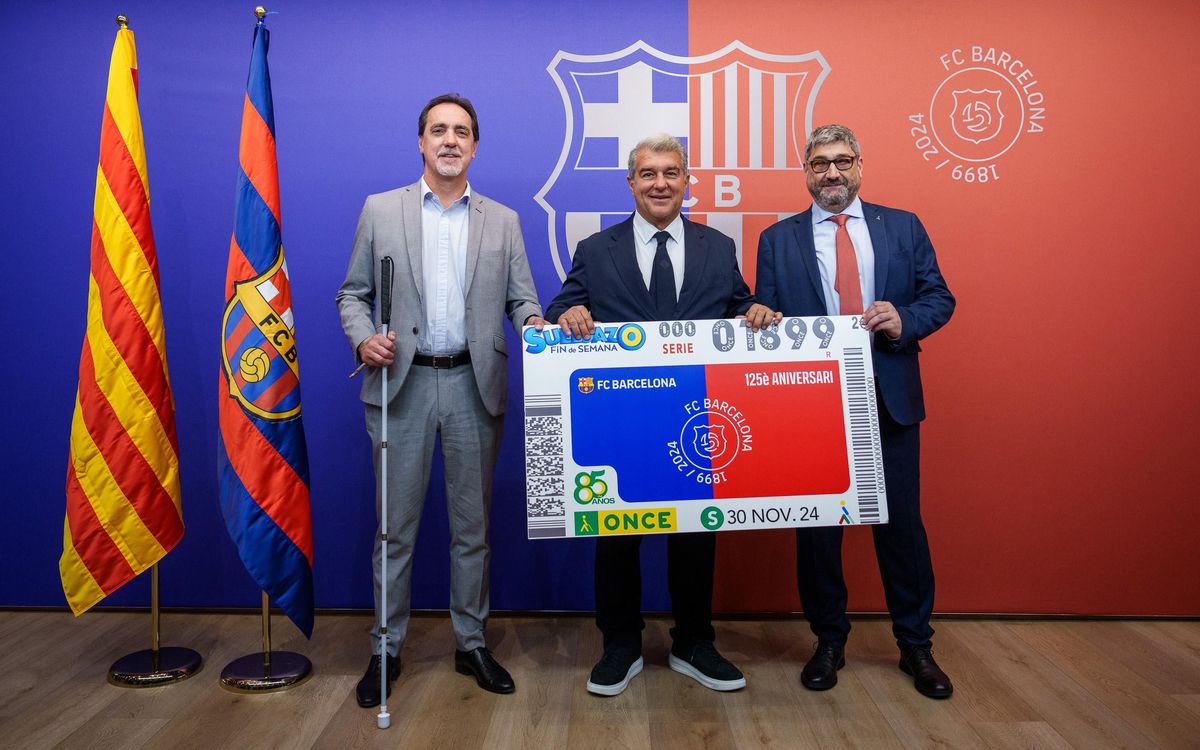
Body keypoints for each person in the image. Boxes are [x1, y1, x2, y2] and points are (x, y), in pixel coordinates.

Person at [544, 133, 779, 696]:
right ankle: (620, 644)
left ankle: (694, 642)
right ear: (631, 183)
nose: (660, 183)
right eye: (648, 173)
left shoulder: (717, 246)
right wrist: (570, 312)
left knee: (696, 532)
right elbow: (561, 306)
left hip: (696, 415)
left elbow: (736, 303)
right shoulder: (596, 249)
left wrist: (755, 311)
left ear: (686, 182)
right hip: (623, 419)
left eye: (671, 173)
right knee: (616, 534)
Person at [336, 93, 545, 706]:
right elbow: (351, 295)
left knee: (471, 530)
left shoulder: (503, 220)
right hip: (400, 385)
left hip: (472, 387)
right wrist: (363, 338)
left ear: (475, 146)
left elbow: (522, 300)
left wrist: (535, 325)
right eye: (438, 130)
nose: (450, 140)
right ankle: (385, 648)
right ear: (421, 142)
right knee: (394, 531)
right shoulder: (381, 210)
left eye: (461, 131)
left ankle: (471, 642)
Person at [755, 124, 956, 698]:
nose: (832, 172)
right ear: (806, 172)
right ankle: (828, 641)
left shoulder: (903, 226)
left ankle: (915, 645)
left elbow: (939, 297)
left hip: (889, 397)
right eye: (820, 163)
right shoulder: (777, 239)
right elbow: (765, 310)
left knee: (901, 529)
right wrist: (761, 316)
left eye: (842, 161)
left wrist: (904, 320)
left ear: (860, 166)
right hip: (811, 407)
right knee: (818, 531)